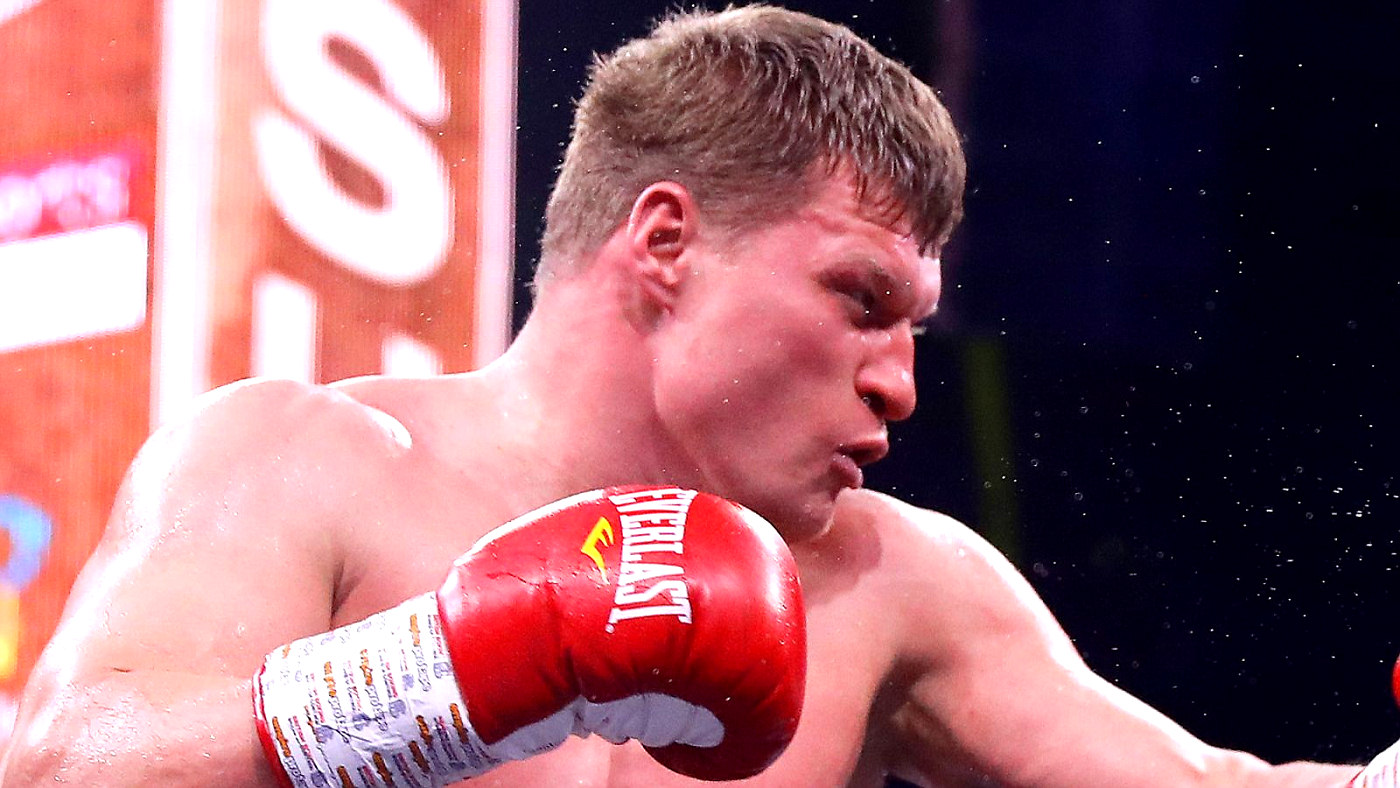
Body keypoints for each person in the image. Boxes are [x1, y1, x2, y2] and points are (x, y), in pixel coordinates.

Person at [0, 5, 1391, 786]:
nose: (902, 382)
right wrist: (451, 672)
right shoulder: (305, 461)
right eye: (860, 301)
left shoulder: (893, 584)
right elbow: (69, 767)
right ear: (665, 241)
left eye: (915, 325)